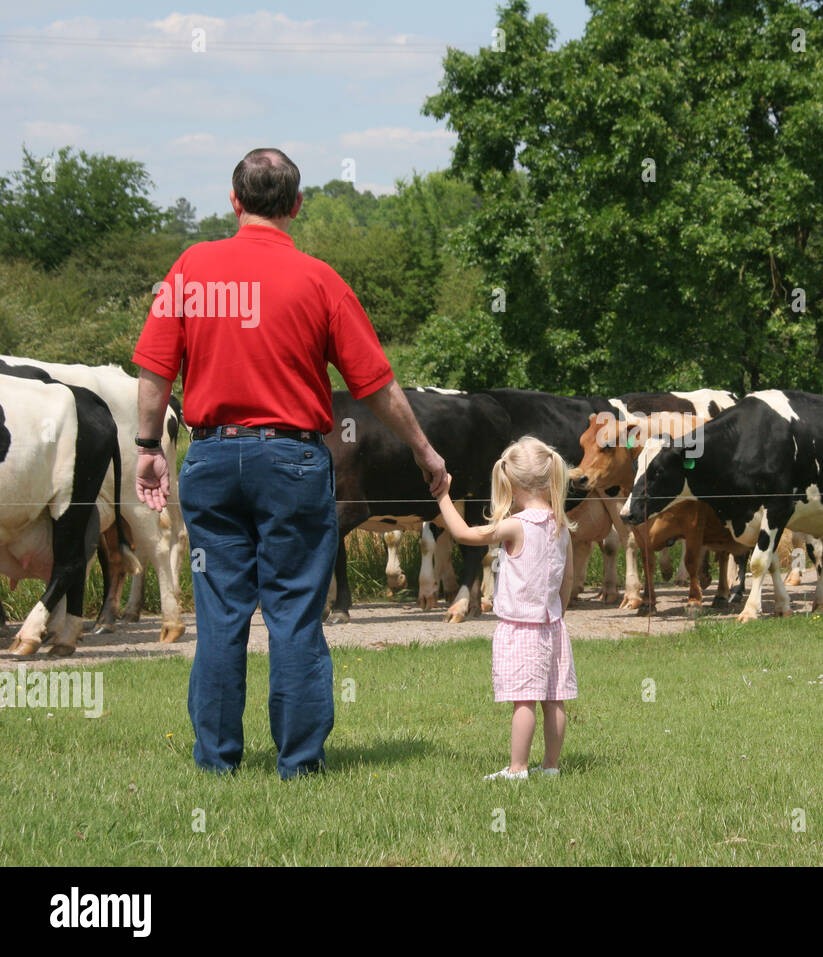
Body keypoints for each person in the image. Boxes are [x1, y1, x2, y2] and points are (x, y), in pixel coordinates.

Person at [132, 147, 448, 779]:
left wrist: (147, 449)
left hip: (213, 457)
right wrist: (423, 447)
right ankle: (298, 763)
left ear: (233, 199)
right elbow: (377, 384)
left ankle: (217, 762)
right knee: (295, 614)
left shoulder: (191, 269)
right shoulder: (320, 280)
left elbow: (155, 369)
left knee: (220, 615)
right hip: (295, 463)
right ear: (297, 205)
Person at [436, 437, 577, 780]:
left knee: (524, 700)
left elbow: (465, 534)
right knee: (554, 699)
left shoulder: (517, 525)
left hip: (521, 628)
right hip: (553, 625)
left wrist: (442, 496)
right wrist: (559, 612)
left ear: (509, 483)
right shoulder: (561, 526)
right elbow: (568, 581)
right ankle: (551, 767)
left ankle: (518, 768)